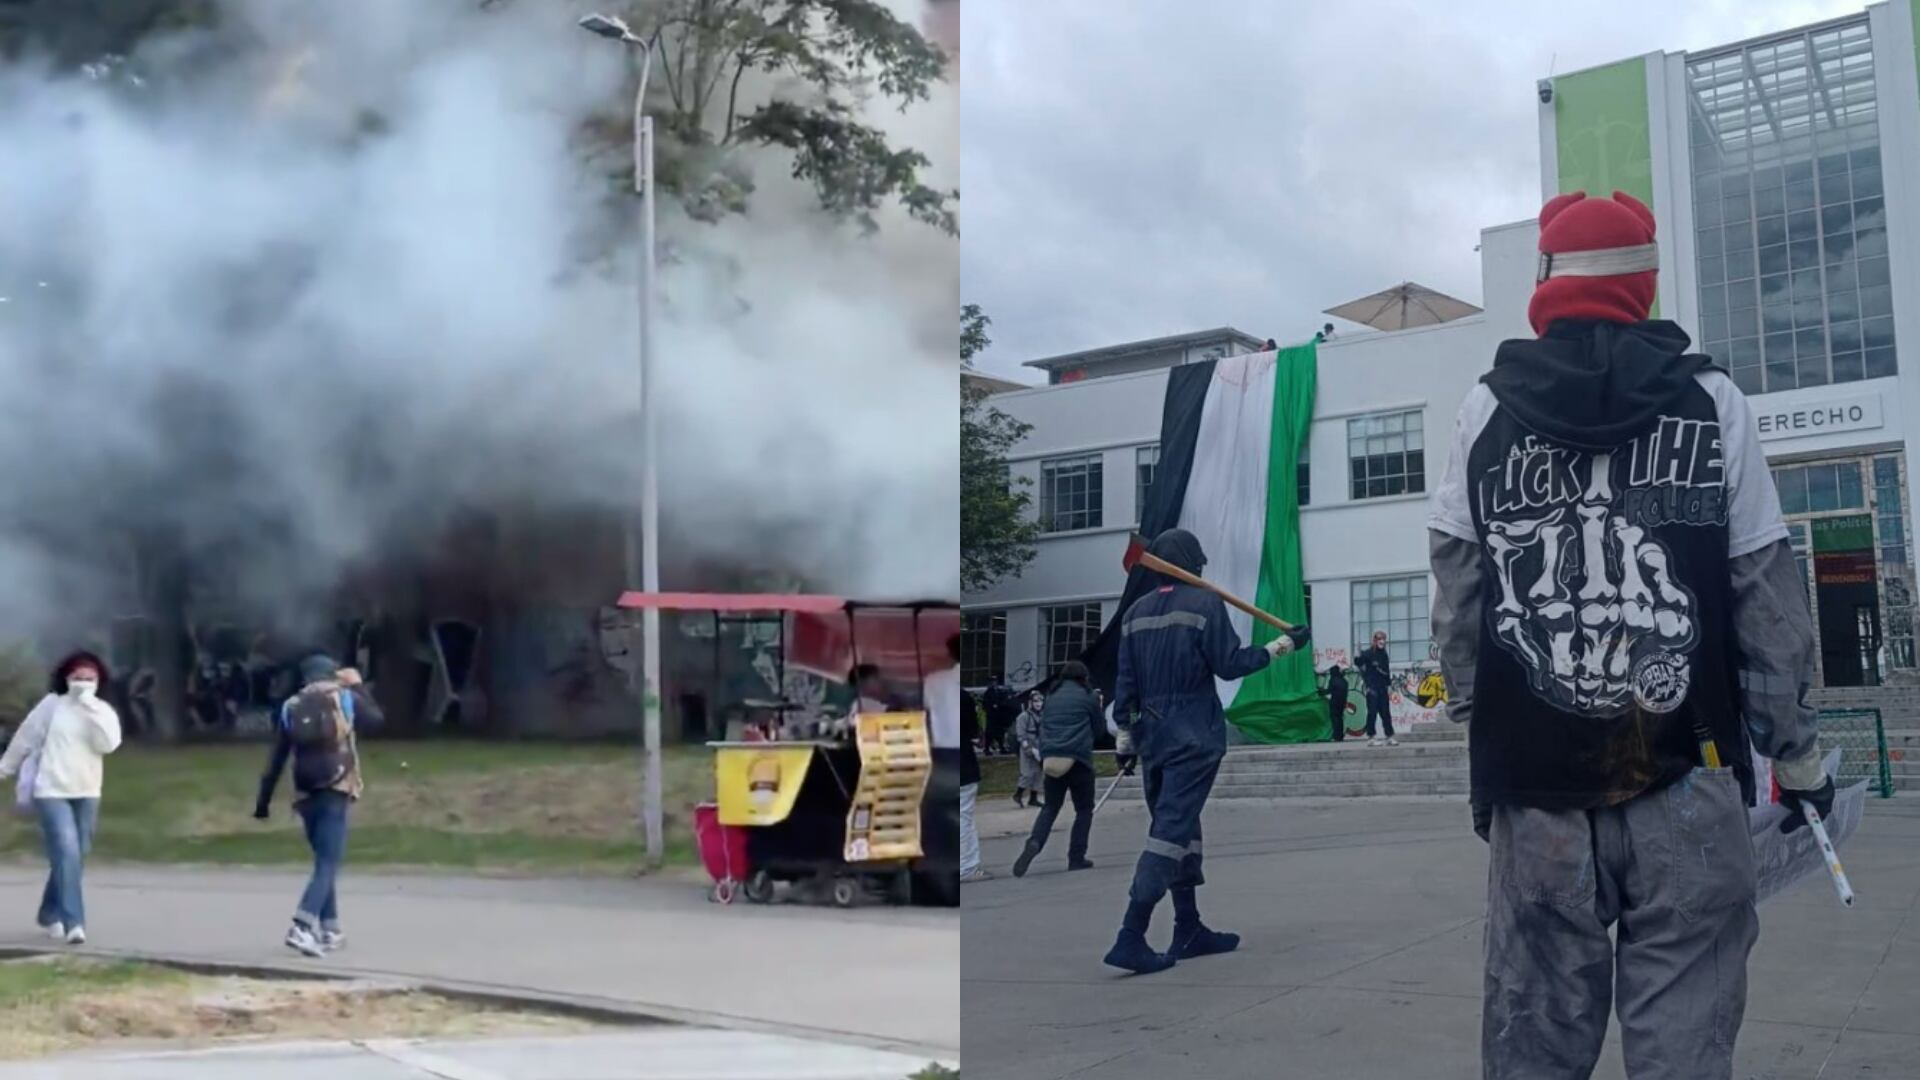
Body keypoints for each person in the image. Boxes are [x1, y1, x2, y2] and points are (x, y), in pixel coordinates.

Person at [1428, 189, 1831, 1080]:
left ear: (1546, 281)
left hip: (1535, 791)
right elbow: (1766, 594)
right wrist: (1793, 750)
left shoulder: (1484, 410)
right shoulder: (1714, 401)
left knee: (1533, 1035)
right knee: (1686, 1031)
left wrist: (1476, 713)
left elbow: (1458, 591)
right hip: (1690, 773)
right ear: (1642, 284)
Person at [1105, 528, 1306, 974]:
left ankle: (1188, 926)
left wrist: (1124, 736)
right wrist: (1283, 645)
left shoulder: (1135, 613)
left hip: (1152, 739)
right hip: (1193, 735)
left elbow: (1126, 686)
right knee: (1170, 832)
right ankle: (1131, 935)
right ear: (1193, 563)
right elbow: (1230, 664)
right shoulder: (1204, 605)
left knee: (1181, 827)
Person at [255, 654, 384, 958]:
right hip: (336, 786)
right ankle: (301, 926)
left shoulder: (291, 706)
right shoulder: (346, 698)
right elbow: (377, 721)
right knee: (329, 862)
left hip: (305, 792)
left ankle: (331, 929)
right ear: (333, 674)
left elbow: (276, 760)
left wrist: (263, 802)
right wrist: (360, 686)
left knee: (323, 861)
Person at [0, 652, 123, 945]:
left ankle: (48, 912)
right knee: (67, 850)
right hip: (52, 789)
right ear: (65, 679)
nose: (82, 683)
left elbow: (109, 744)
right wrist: (5, 767)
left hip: (87, 789)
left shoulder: (102, 710)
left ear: (99, 681)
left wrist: (90, 707)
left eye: (89, 678)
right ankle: (74, 922)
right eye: (77, 678)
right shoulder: (52, 706)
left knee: (76, 855)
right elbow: (26, 736)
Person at [1012, 662, 1101, 877]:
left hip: (1051, 759)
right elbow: (1099, 729)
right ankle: (1076, 857)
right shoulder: (1088, 697)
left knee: (1050, 806)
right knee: (1083, 810)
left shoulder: (1050, 697)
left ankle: (1035, 842)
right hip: (1078, 760)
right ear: (1084, 677)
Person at [1355, 631, 1396, 747]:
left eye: (1383, 639)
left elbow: (1387, 671)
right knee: (1372, 713)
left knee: (1386, 713)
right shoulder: (1368, 653)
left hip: (1382, 688)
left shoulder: (1384, 654)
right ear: (1374, 640)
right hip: (1372, 688)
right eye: (1379, 639)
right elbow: (1358, 662)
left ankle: (1389, 736)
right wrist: (1357, 655)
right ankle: (1371, 737)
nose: (1382, 641)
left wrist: (1389, 686)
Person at [1012, 689, 1045, 807]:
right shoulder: (1023, 716)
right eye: (1035, 701)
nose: (1038, 703)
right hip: (1027, 747)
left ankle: (1033, 798)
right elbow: (1021, 735)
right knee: (1027, 773)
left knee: (1038, 773)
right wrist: (1028, 748)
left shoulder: (1043, 715)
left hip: (1040, 746)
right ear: (1030, 702)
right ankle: (1018, 794)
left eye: (1040, 701)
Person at [1320, 664, 1355, 742]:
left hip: (1334, 702)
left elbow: (1329, 691)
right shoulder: (1344, 681)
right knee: (1340, 719)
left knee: (1334, 719)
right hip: (1342, 702)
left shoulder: (1333, 680)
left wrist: (1320, 692)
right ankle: (1340, 736)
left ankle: (1336, 736)